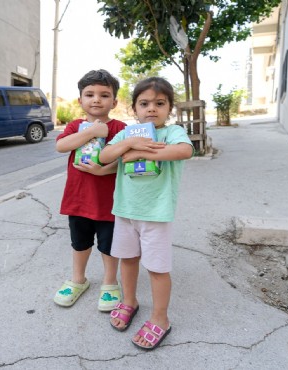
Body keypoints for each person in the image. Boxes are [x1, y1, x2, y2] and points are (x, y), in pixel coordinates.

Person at [99, 77, 193, 350]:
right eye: (144, 103)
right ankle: (129, 301)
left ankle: (160, 318)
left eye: (159, 103)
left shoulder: (173, 132)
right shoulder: (128, 134)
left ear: (169, 108)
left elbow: (185, 151)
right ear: (134, 109)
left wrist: (146, 153)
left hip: (156, 214)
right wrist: (131, 146)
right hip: (125, 211)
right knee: (127, 260)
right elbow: (105, 156)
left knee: (157, 268)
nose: (151, 108)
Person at [53, 69, 127, 311]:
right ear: (80, 100)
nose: (96, 99)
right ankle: (78, 279)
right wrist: (91, 132)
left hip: (109, 201)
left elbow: (127, 160)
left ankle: (110, 281)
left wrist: (103, 171)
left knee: (108, 244)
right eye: (90, 94)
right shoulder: (76, 126)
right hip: (78, 199)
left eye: (104, 95)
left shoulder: (120, 128)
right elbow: (61, 146)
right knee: (80, 242)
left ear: (114, 102)